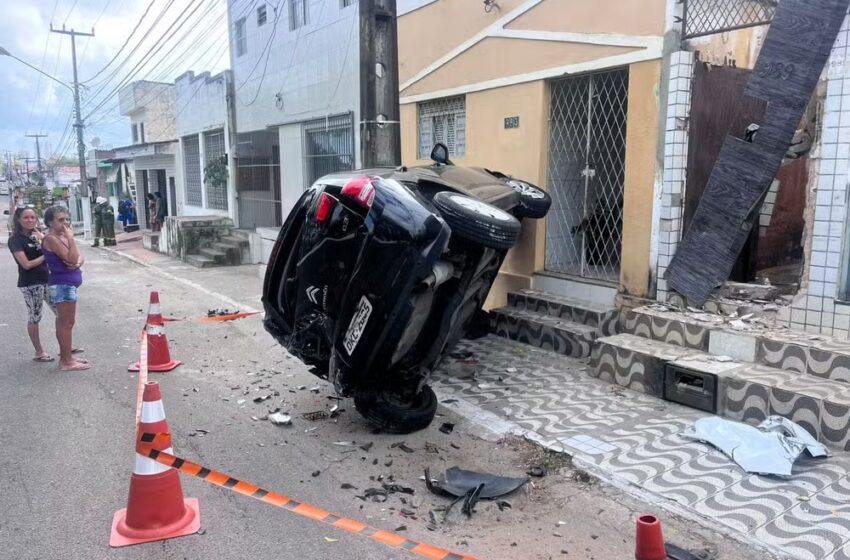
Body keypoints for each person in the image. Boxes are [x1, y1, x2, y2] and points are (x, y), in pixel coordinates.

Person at [42, 205, 89, 371]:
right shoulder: (51, 239)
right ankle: (66, 362)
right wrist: (71, 239)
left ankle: (67, 355)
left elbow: (77, 257)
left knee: (66, 322)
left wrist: (78, 261)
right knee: (66, 323)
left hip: (68, 284)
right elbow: (71, 256)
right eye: (60, 220)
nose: (65, 223)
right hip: (62, 284)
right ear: (50, 222)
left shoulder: (60, 237)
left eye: (67, 219)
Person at [8, 207, 53, 362]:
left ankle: (66, 346)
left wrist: (43, 240)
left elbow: (55, 250)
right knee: (35, 316)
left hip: (47, 279)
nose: (30, 220)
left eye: (33, 217)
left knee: (62, 313)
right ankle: (39, 351)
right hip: (31, 283)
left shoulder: (38, 236)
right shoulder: (15, 240)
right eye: (26, 217)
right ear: (18, 220)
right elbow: (26, 264)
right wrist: (45, 255)